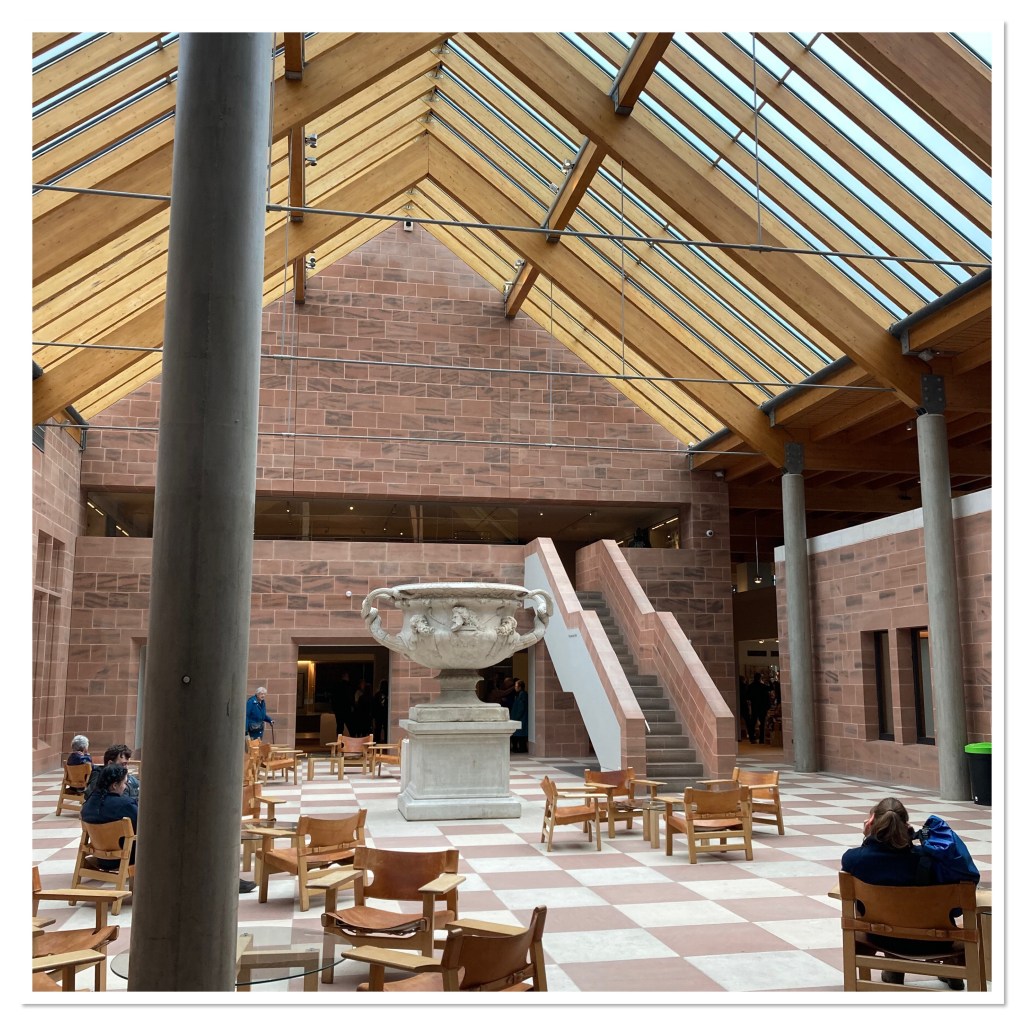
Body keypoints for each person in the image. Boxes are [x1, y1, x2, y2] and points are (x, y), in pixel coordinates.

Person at [841, 796, 967, 990]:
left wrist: (868, 838)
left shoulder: (853, 859)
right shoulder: (928, 860)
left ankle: (894, 968)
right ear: (905, 825)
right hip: (935, 940)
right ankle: (952, 965)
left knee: (890, 919)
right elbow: (957, 910)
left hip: (880, 937)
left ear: (872, 821)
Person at [81, 763, 138, 869]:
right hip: (125, 857)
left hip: (101, 858)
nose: (125, 787)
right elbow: (141, 826)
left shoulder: (87, 805)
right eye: (124, 783)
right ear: (115, 785)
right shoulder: (126, 804)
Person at [749, 672, 770, 744]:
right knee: (762, 723)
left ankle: (752, 738)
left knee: (753, 723)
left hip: (755, 706)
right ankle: (761, 739)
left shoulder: (750, 686)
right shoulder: (763, 686)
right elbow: (769, 692)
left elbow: (747, 696)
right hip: (762, 707)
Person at [510, 678, 528, 753]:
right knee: (519, 733)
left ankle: (522, 748)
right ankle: (520, 748)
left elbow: (521, 707)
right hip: (519, 717)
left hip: (520, 718)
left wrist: (517, 717)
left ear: (520, 687)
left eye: (516, 686)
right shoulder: (519, 695)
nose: (515, 688)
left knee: (520, 733)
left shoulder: (522, 694)